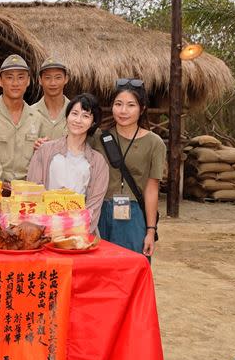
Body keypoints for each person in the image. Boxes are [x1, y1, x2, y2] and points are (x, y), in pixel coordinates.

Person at [92, 79, 165, 257]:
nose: (123, 111)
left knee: (130, 270)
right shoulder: (98, 137)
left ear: (142, 109)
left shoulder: (154, 143)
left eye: (131, 105)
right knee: (100, 272)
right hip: (99, 212)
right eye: (118, 104)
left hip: (133, 216)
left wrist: (150, 230)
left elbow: (151, 189)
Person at [26, 93, 108, 232]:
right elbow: (33, 193)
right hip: (44, 231)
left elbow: (93, 206)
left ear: (93, 123)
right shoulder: (45, 151)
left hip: (78, 234)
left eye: (86, 116)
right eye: (74, 113)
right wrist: (45, 228)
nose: (78, 120)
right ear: (67, 116)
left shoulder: (98, 162)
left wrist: (73, 229)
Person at [0, 54, 41, 188]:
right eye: (9, 77)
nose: (15, 83)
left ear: (28, 81)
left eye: (21, 77)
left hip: (27, 192)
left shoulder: (37, 118)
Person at [32, 57, 71, 149]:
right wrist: (32, 146)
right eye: (47, 78)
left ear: (66, 79)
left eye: (58, 77)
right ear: (40, 80)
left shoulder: (76, 112)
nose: (53, 83)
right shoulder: (29, 113)